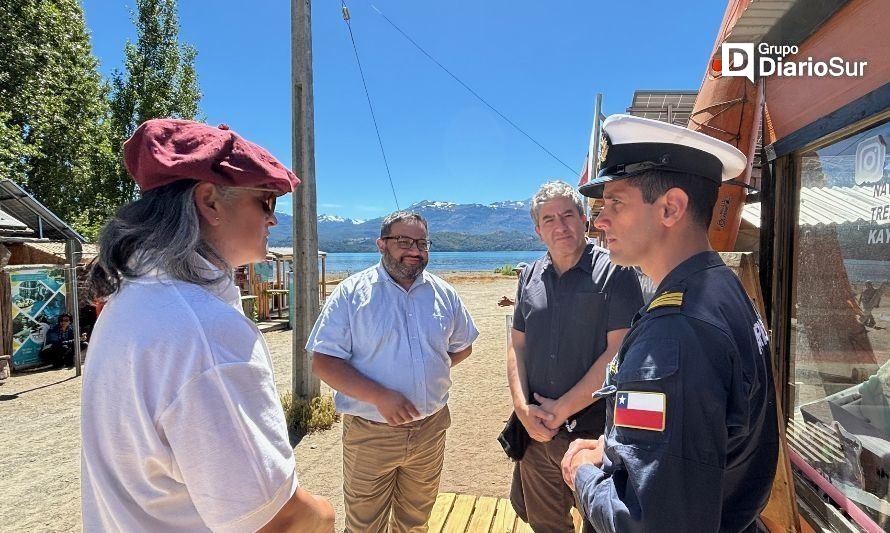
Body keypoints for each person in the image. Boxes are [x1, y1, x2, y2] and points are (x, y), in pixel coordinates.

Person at [81, 119, 334, 532]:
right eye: (266, 201)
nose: (273, 220)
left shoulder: (130, 302)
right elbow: (276, 521)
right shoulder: (203, 331)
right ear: (210, 201)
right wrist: (324, 515)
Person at [563, 114, 779, 532]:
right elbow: (700, 436)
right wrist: (611, 449)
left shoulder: (675, 334)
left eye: (615, 203)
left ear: (671, 208)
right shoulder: (719, 286)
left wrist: (584, 476)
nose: (598, 221)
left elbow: (652, 523)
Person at [307, 211, 479, 532]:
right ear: (381, 245)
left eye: (421, 242)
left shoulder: (444, 294)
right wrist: (379, 396)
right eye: (403, 241)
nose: (414, 250)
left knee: (415, 522)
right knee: (364, 525)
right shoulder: (351, 293)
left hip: (430, 428)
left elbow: (463, 346)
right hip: (371, 433)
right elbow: (324, 362)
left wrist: (431, 372)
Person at [507, 180, 643, 532]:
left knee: (599, 522)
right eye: (549, 219)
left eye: (568, 215)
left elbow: (619, 353)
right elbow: (516, 345)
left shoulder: (617, 271)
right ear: (538, 231)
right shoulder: (529, 276)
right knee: (546, 523)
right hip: (536, 433)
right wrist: (523, 410)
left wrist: (561, 409)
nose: (560, 225)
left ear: (584, 220)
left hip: (593, 433)